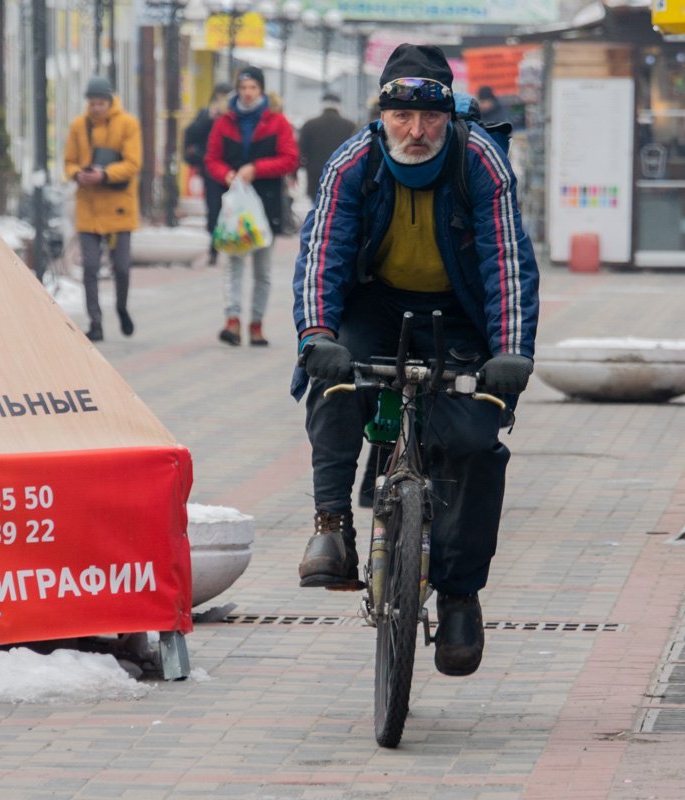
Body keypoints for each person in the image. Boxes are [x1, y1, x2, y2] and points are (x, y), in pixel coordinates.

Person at [290, 44, 539, 677]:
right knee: (336, 383)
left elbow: (506, 260)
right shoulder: (354, 159)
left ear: (450, 115)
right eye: (401, 115)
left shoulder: (479, 158)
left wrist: (511, 350)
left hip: (456, 314)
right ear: (383, 114)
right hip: (373, 306)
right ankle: (332, 525)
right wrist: (318, 333)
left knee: (475, 443)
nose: (417, 130)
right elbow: (323, 250)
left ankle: (459, 595)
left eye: (430, 116)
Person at [205, 66, 299, 347]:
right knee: (233, 263)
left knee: (262, 269)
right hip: (235, 205)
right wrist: (226, 174)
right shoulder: (225, 122)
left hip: (266, 205)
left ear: (261, 90)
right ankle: (232, 321)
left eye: (253, 88)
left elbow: (290, 159)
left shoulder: (277, 122)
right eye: (243, 88)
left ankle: (256, 324)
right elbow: (212, 158)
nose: (247, 93)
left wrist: (256, 169)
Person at [63, 75, 142, 342]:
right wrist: (78, 174)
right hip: (89, 204)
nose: (96, 108)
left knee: (121, 266)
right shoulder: (78, 126)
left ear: (110, 102)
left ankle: (121, 307)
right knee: (90, 267)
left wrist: (105, 174)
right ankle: (95, 321)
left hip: (119, 205)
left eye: (101, 103)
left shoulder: (128, 124)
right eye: (92, 103)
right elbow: (69, 162)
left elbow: (133, 164)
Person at [183, 82, 231, 266]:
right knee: (213, 211)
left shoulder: (235, 117)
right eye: (220, 97)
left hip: (232, 170)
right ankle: (214, 249)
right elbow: (191, 135)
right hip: (211, 171)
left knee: (233, 210)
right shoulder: (206, 114)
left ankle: (233, 244)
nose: (223, 101)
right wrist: (209, 118)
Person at [298, 92, 357, 201]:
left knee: (317, 206)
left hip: (315, 175)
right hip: (342, 174)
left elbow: (301, 151)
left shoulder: (309, 125)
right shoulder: (350, 126)